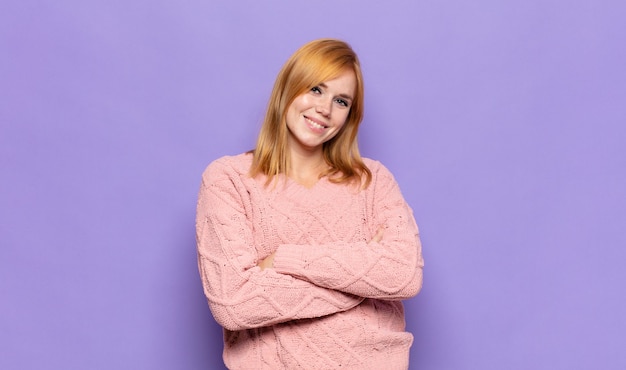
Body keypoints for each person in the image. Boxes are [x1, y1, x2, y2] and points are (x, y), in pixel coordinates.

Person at [196, 38, 424, 369]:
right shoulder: (228, 179)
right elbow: (234, 302)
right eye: (316, 89)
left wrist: (282, 260)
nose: (325, 109)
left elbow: (404, 275)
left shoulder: (373, 180)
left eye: (342, 101)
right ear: (289, 87)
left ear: (351, 115)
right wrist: (362, 281)